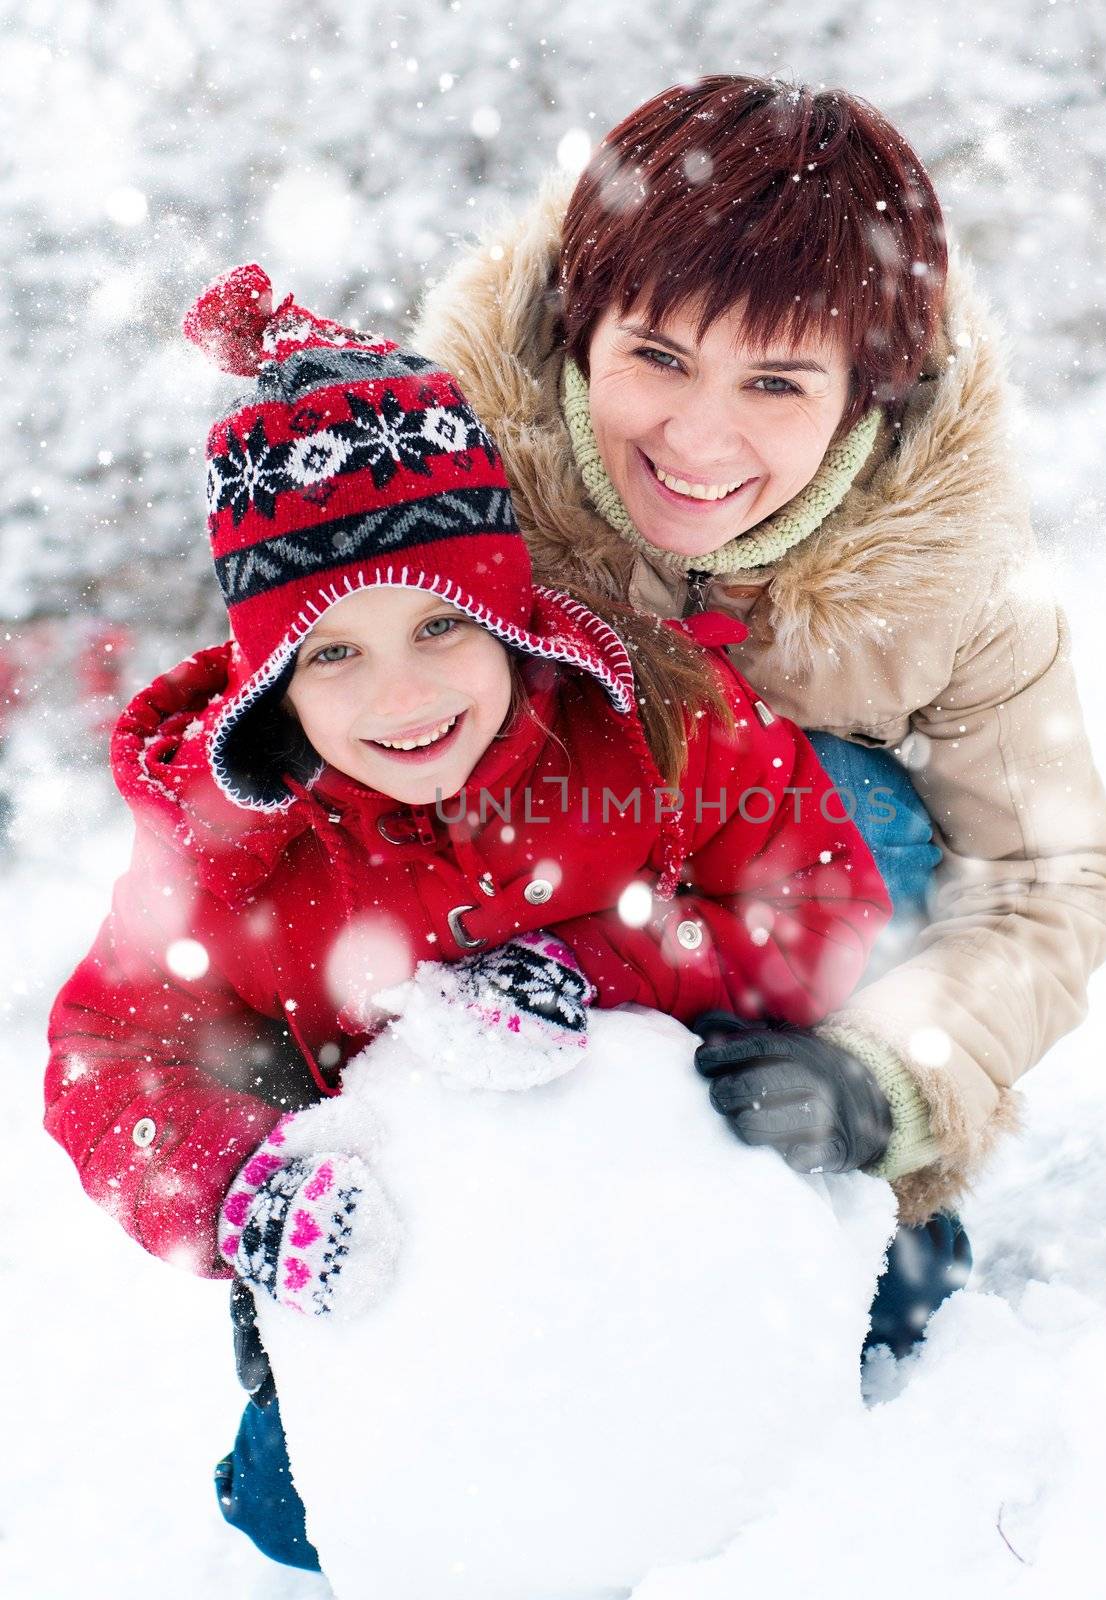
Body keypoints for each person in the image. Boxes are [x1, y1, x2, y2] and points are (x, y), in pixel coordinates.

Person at [43, 263, 894, 1571]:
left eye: (443, 625)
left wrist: (613, 968)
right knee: (293, 1518)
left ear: (508, 607)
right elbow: (105, 1060)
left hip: (663, 1185)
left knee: (901, 1320)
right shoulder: (232, 849)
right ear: (273, 675)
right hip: (429, 1250)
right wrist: (235, 1182)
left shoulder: (648, 724)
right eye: (333, 653)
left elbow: (825, 898)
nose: (401, 696)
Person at [413, 73, 1106, 1351]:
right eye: (658, 357)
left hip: (784, 999)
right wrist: (311, 1170)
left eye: (776, 385)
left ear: (867, 394)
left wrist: (880, 1079)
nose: (697, 435)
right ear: (582, 328)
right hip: (503, 995)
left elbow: (1044, 874)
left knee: (838, 804)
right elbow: (304, 832)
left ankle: (812, 1209)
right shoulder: (446, 478)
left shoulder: (949, 566)